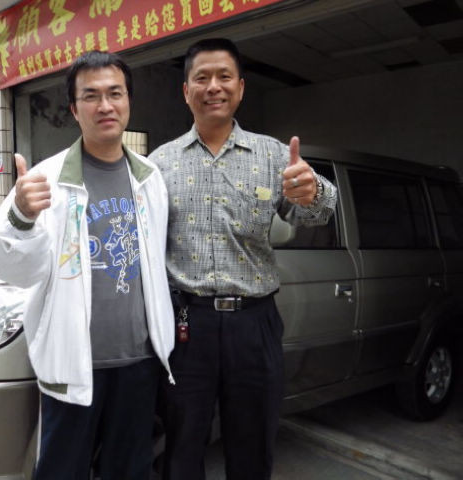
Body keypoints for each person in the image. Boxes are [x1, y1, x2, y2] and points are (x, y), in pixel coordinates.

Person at [0, 51, 175, 480]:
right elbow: (5, 265)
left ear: (128, 101)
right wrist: (21, 217)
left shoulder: (150, 178)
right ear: (73, 109)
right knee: (61, 469)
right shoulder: (45, 179)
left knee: (131, 469)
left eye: (115, 93)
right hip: (73, 363)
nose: (105, 105)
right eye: (91, 96)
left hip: (140, 361)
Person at [148, 38, 337, 479]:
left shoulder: (274, 155)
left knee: (252, 445)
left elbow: (319, 210)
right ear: (186, 91)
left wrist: (313, 191)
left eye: (224, 76)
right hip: (186, 326)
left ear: (241, 87)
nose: (213, 87)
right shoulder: (160, 164)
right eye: (202, 78)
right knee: (181, 445)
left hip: (254, 324)